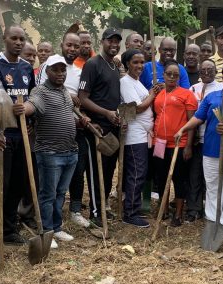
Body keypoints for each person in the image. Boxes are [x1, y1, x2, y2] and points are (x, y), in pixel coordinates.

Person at [0, 25, 36, 260]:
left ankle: (9, 229)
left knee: (18, 184)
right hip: (0, 136)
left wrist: (29, 113)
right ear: (4, 39)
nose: (18, 43)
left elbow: (31, 96)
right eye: (14, 38)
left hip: (20, 135)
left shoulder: (25, 67)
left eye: (22, 39)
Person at [21, 55, 85, 248]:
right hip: (50, 153)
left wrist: (79, 120)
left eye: (63, 70)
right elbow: (31, 106)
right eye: (55, 70)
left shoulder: (65, 91)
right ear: (47, 72)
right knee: (48, 195)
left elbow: (65, 115)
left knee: (60, 193)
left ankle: (56, 228)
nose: (60, 74)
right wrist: (22, 108)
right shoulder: (41, 91)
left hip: (70, 151)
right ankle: (46, 231)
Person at [177, 62, 223, 237]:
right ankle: (213, 219)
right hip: (211, 148)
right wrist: (183, 128)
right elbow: (198, 117)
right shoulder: (212, 96)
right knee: (212, 186)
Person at [78, 28, 123, 227]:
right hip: (96, 128)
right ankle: (95, 214)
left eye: (117, 41)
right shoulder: (93, 64)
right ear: (102, 41)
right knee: (97, 171)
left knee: (108, 169)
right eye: (110, 41)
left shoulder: (114, 66)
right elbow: (82, 98)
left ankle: (102, 206)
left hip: (113, 127)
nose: (114, 44)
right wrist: (105, 113)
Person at [150, 60, 197, 226]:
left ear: (179, 77)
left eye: (175, 75)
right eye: (168, 74)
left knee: (179, 178)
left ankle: (178, 213)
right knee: (161, 177)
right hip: (159, 143)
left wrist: (189, 145)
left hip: (179, 144)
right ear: (163, 75)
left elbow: (192, 122)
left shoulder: (187, 94)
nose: (171, 77)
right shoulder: (159, 93)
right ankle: (163, 209)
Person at [119, 49, 160, 228]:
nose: (140, 66)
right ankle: (130, 213)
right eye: (135, 62)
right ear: (127, 64)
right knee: (136, 173)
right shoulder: (125, 82)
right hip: (134, 135)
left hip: (143, 134)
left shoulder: (136, 82)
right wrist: (152, 94)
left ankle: (133, 207)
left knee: (140, 172)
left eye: (142, 62)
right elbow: (137, 108)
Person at [186, 59, 223, 222]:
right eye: (203, 70)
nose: (206, 72)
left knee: (212, 176)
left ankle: (212, 209)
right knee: (194, 175)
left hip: (213, 138)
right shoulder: (193, 88)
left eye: (210, 69)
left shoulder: (221, 89)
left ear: (216, 71)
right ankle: (194, 209)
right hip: (195, 138)